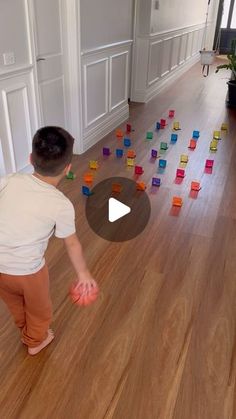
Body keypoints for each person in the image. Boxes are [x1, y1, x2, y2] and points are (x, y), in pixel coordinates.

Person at [0, 126, 98, 355]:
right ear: (68, 169)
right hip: (29, 271)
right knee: (39, 310)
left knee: (15, 304)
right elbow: (71, 243)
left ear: (30, 159)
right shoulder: (60, 204)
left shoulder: (9, 180)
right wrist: (83, 273)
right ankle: (35, 341)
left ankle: (24, 329)